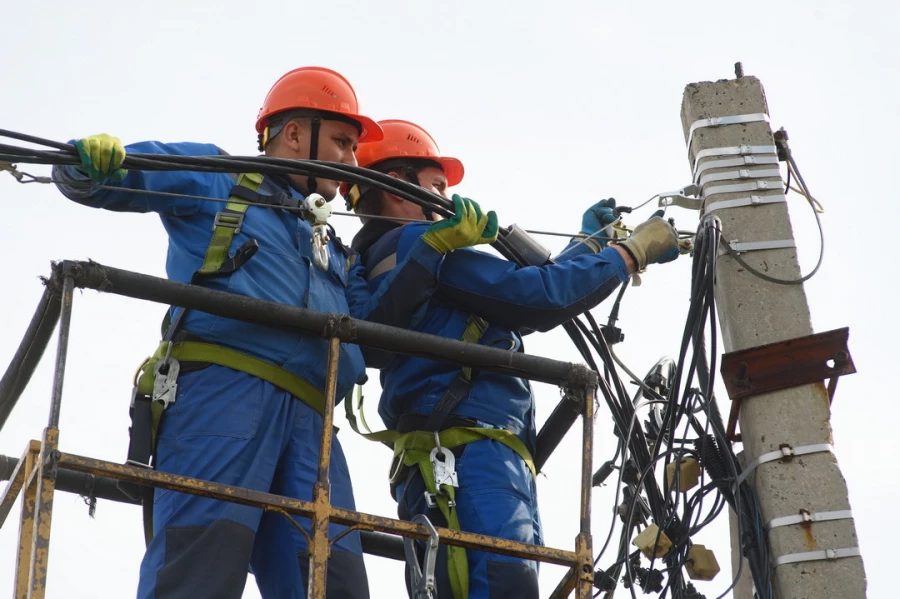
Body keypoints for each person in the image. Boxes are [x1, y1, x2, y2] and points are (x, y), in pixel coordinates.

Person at [52, 69, 497, 599]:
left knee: (335, 585)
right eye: (342, 143)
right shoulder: (223, 181)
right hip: (225, 400)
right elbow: (122, 178)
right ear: (293, 136)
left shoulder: (331, 245)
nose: (352, 164)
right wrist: (85, 163)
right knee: (199, 570)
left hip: (313, 423)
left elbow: (374, 329)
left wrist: (430, 248)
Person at [348, 119, 681, 599]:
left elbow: (517, 302)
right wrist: (629, 253)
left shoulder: (378, 261)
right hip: (472, 454)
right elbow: (539, 297)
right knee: (504, 577)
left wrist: (590, 244)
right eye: (437, 185)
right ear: (398, 186)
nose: (447, 197)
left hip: (451, 456)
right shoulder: (423, 250)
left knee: (467, 578)